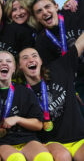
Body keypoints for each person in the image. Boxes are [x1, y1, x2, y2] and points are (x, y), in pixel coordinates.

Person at [18, 32, 84, 161]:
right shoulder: (21, 93)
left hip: (80, 138)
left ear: (41, 61)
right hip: (51, 142)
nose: (31, 59)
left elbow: (80, 43)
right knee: (62, 157)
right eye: (25, 58)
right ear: (19, 67)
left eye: (34, 56)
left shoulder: (60, 68)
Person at [0, 51, 53, 161]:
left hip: (27, 139)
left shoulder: (25, 92)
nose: (4, 63)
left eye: (9, 61)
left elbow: (39, 125)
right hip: (2, 141)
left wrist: (17, 119)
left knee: (45, 157)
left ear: (14, 68)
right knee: (16, 158)